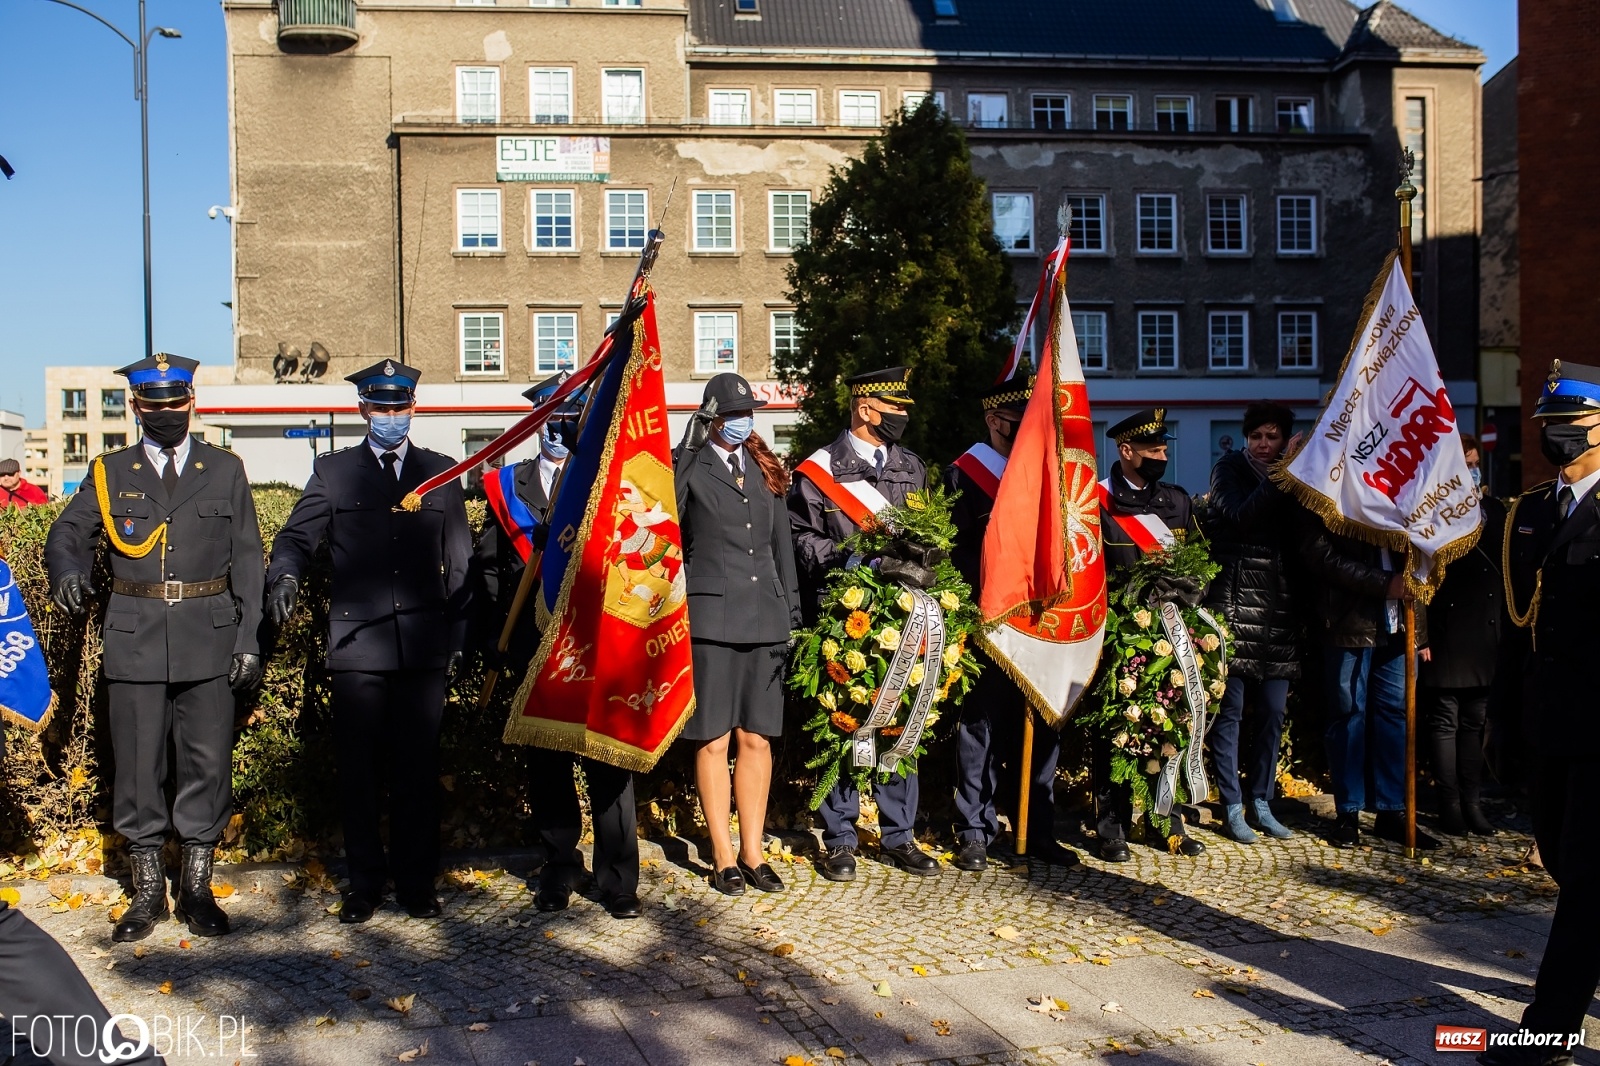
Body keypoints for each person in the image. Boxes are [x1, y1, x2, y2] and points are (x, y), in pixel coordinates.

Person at [44, 354, 264, 942]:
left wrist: (248, 639)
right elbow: (67, 532)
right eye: (152, 406)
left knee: (207, 763)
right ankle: (146, 893)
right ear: (136, 407)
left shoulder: (224, 470)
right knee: (138, 767)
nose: (165, 415)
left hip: (209, 634)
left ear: (190, 403)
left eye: (174, 405)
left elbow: (247, 558)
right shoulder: (110, 470)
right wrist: (66, 571)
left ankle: (195, 887)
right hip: (135, 633)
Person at [264, 359, 471, 924]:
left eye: (398, 406)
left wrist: (455, 635)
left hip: (422, 645)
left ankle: (416, 882)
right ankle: (363, 883)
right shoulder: (334, 473)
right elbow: (296, 537)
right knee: (358, 773)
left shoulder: (440, 473)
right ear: (362, 410)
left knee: (417, 771)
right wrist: (283, 573)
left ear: (413, 408)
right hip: (358, 644)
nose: (390, 416)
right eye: (380, 407)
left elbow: (459, 562)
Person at [473, 373, 643, 920]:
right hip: (535, 645)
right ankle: (560, 864)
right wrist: (493, 636)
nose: (560, 427)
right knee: (546, 763)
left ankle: (618, 876)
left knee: (607, 760)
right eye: (552, 417)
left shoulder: (608, 482)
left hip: (596, 645)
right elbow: (489, 571)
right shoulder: (508, 486)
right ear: (537, 422)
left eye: (572, 417)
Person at [1485, 359, 1600, 1066]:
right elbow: (1513, 629)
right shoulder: (1527, 511)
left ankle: (1550, 1027)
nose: (1558, 438)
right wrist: (1503, 721)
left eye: (1573, 426)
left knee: (1587, 875)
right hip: (1548, 721)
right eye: (1549, 427)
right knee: (1562, 857)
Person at [788, 366, 938, 881]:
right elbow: (801, 540)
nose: (901, 417)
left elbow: (927, 533)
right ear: (865, 407)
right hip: (843, 615)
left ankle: (899, 834)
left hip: (906, 614)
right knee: (843, 723)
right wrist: (862, 562)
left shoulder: (911, 469)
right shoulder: (819, 471)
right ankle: (840, 838)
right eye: (894, 408)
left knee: (904, 718)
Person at [675, 373, 802, 895]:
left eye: (746, 413)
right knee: (714, 737)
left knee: (757, 737)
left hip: (765, 616)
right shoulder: (692, 466)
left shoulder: (764, 468)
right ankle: (722, 855)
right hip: (710, 621)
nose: (741, 422)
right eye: (729, 415)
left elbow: (781, 550)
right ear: (710, 418)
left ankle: (752, 851)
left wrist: (791, 613)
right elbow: (667, 525)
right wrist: (686, 446)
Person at [946, 376, 1078, 870]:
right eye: (1017, 418)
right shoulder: (964, 474)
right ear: (994, 420)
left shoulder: (1050, 474)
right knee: (980, 728)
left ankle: (1035, 827)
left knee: (1043, 729)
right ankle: (975, 829)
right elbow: (957, 551)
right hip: (990, 623)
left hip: (1043, 622)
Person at [1094, 408, 1205, 860]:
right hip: (1119, 633)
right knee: (1116, 732)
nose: (1162, 456)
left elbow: (1201, 563)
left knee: (1169, 726)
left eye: (1163, 449)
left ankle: (1165, 821)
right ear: (1126, 452)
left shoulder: (1176, 502)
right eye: (1153, 450)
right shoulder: (1097, 501)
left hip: (1169, 631)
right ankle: (1111, 826)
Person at [1296, 492, 1433, 850]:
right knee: (1348, 715)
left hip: (1401, 622)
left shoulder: (1406, 481)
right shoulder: (1331, 482)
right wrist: (1383, 584)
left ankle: (1393, 810)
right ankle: (1348, 812)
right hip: (1349, 620)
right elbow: (1319, 554)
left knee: (1396, 714)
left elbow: (1424, 558)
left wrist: (1420, 634)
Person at [1202, 402, 1302, 843]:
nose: (1263, 445)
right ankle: (1232, 803)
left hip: (1280, 615)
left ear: (1285, 440)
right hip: (1236, 607)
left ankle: (1262, 799)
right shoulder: (1229, 470)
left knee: (1274, 714)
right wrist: (1283, 476)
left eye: (1272, 437)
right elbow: (1240, 516)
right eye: (1257, 436)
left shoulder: (1296, 479)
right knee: (1232, 714)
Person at [1420, 434, 1503, 837]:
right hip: (1446, 632)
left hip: (1484, 636)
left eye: (1474, 461)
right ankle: (1449, 805)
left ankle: (1474, 802)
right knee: (1445, 722)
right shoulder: (1431, 511)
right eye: (1463, 462)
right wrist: (1422, 636)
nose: (1471, 468)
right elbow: (1418, 578)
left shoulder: (1496, 511)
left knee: (1477, 722)